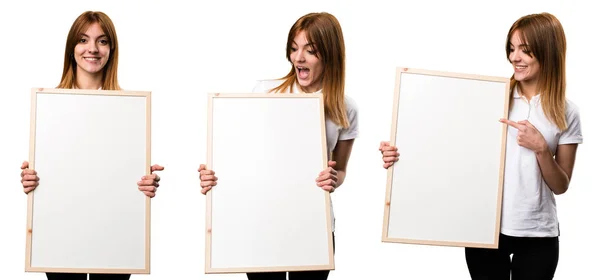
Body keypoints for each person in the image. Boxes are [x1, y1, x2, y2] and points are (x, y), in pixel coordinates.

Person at [380, 12, 582, 280]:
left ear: (548, 51)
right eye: (511, 49)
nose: (514, 58)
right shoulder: (491, 98)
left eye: (525, 50)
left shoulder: (566, 112)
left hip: (538, 233)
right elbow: (445, 144)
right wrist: (401, 153)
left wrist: (542, 149)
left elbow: (561, 185)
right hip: (483, 229)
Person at [198, 12, 358, 280]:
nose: (298, 58)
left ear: (330, 54)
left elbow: (340, 172)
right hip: (263, 220)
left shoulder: (346, 108)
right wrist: (214, 177)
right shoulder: (266, 92)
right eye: (294, 49)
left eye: (311, 51)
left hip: (313, 224)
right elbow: (239, 155)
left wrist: (334, 178)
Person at [19, 11, 163, 280]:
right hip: (59, 232)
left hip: (113, 233)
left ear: (112, 50)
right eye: (83, 40)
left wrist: (143, 181)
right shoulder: (49, 108)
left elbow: (121, 177)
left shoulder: (130, 111)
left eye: (103, 41)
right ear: (71, 48)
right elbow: (53, 174)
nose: (93, 49)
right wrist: (33, 181)